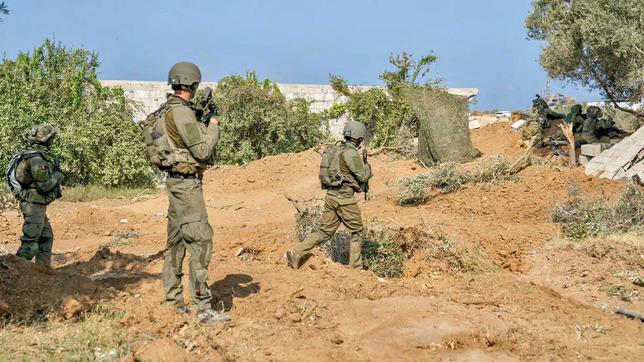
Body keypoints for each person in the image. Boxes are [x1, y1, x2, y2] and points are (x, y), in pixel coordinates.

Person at [153, 62, 229, 324]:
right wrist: (214, 123)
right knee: (200, 240)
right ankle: (203, 306)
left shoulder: (166, 110)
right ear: (193, 84)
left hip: (175, 183)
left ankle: (173, 300)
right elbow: (203, 151)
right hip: (186, 186)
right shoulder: (182, 114)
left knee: (175, 242)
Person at [285, 121, 373, 270]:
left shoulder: (336, 149)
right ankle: (355, 268)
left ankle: (297, 252)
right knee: (357, 232)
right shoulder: (351, 153)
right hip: (344, 199)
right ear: (359, 138)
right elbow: (363, 176)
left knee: (324, 232)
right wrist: (367, 164)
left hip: (331, 197)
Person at [12, 125, 64, 266]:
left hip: (36, 204)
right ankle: (13, 273)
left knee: (46, 237)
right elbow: (44, 185)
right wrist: (58, 175)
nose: (52, 141)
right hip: (33, 205)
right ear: (46, 140)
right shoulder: (37, 158)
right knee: (30, 244)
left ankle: (42, 272)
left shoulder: (33, 154)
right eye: (51, 139)